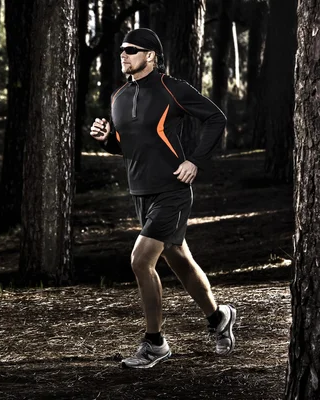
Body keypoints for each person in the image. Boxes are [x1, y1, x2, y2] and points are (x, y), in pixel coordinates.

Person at [90, 28, 236, 369]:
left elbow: (216, 118)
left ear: (151, 56)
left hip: (172, 190)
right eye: (121, 50)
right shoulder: (119, 96)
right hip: (141, 191)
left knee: (141, 260)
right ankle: (219, 317)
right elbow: (129, 145)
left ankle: (154, 343)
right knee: (178, 259)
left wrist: (195, 160)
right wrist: (106, 140)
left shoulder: (173, 88)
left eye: (131, 50)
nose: (123, 54)